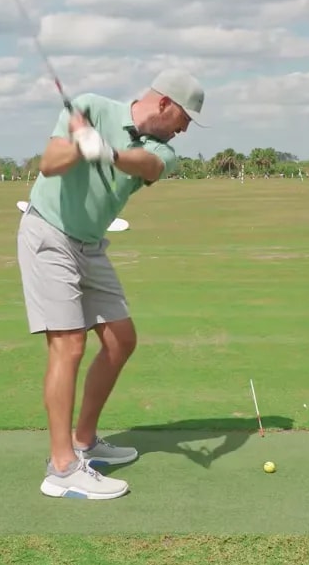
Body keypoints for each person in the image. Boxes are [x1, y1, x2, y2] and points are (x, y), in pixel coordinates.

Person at [17, 68, 206, 500]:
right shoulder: (91, 107)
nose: (184, 128)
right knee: (69, 344)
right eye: (184, 118)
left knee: (121, 339)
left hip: (90, 245)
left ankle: (85, 441)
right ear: (164, 103)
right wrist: (82, 148)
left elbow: (150, 165)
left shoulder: (161, 149)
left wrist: (105, 149)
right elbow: (49, 163)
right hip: (49, 234)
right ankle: (62, 468)